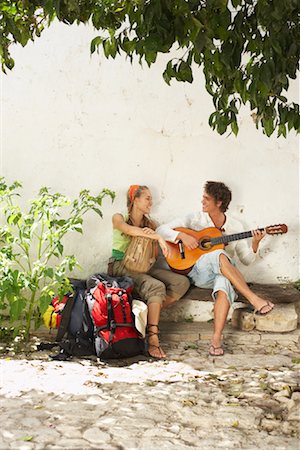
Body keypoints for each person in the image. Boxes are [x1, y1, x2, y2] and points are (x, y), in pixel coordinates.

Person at [156, 181, 274, 356]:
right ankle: (254, 299)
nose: (202, 201)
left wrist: (255, 244)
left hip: (222, 272)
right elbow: (160, 229)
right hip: (196, 272)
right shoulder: (194, 218)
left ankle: (216, 340)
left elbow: (247, 260)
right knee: (217, 255)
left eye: (206, 198)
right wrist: (182, 236)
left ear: (219, 203)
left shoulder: (236, 226)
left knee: (224, 281)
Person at [110, 184, 190, 359]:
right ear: (135, 200)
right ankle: (153, 338)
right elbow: (129, 230)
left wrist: (152, 239)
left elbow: (153, 257)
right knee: (156, 287)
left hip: (144, 267)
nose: (151, 203)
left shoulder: (150, 224)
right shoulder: (119, 217)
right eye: (147, 198)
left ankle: (144, 316)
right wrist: (155, 236)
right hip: (121, 266)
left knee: (182, 282)